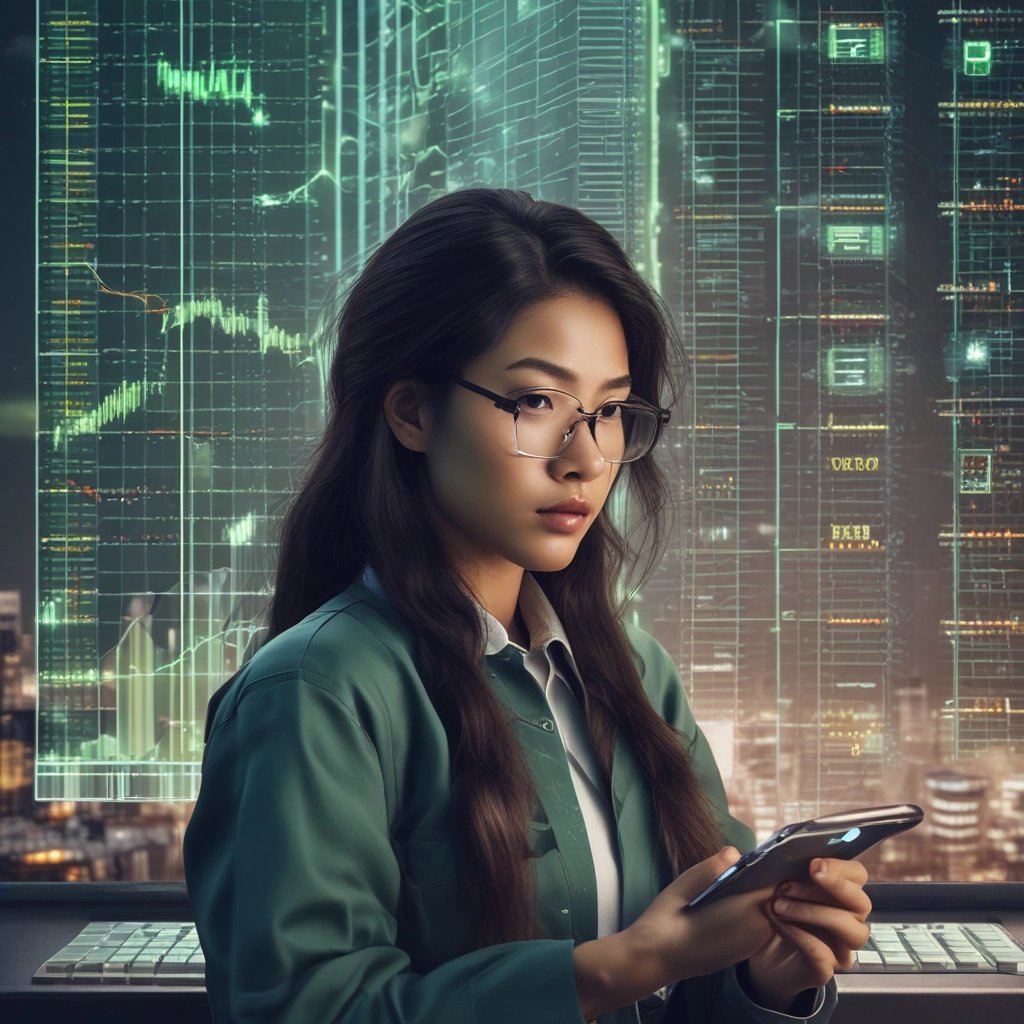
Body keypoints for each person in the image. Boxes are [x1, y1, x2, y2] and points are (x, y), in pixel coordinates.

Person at [183, 187, 871, 1024]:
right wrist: (615, 969)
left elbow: (690, 985)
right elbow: (301, 1010)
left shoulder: (631, 672)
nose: (585, 458)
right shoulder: (317, 690)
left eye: (611, 412)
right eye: (536, 402)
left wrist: (768, 970)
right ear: (411, 411)